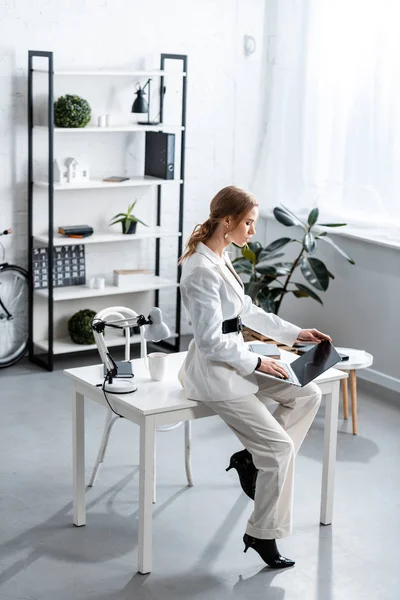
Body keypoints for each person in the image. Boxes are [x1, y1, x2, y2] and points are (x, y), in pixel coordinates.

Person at [178, 186, 332, 569]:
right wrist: (258, 363)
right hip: (216, 372)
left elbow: (246, 310)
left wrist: (296, 334)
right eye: (248, 223)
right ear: (226, 221)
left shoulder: (220, 256)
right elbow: (211, 341)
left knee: (307, 394)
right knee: (279, 450)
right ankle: (262, 534)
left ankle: (251, 459)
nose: (252, 231)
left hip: (239, 358)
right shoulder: (199, 271)